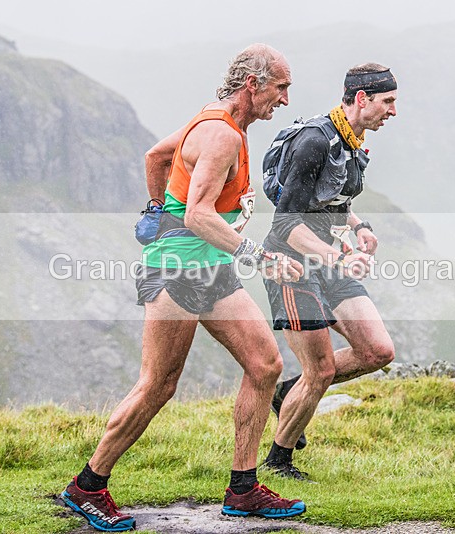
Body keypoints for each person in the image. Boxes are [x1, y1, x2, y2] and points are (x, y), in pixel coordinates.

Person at [60, 43, 306, 532]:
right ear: (253, 84)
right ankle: (87, 486)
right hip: (177, 272)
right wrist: (259, 257)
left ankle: (243, 489)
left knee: (265, 364)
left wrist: (155, 210)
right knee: (158, 384)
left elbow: (156, 156)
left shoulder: (220, 122)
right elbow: (197, 215)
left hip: (211, 268)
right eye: (281, 88)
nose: (284, 99)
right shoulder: (220, 135)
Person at [261, 63, 398, 480]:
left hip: (327, 260)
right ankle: (279, 461)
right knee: (319, 370)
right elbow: (286, 222)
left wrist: (359, 227)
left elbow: (332, 195)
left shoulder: (350, 139)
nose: (393, 111)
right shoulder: (314, 141)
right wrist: (336, 258)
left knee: (377, 351)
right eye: (388, 102)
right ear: (362, 99)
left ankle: (289, 391)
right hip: (291, 265)